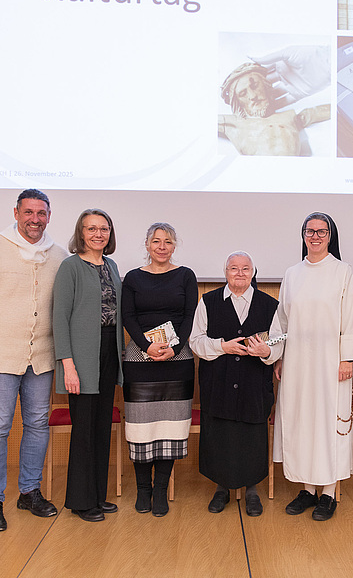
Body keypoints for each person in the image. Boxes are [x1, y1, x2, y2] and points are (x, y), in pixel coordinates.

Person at [0, 189, 67, 533]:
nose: (35, 219)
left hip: (42, 357)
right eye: (29, 212)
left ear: (49, 216)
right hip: (0, 357)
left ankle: (29, 491)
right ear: (17, 213)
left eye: (42, 213)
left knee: (37, 424)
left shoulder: (60, 256)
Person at [273, 212, 353, 521]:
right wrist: (280, 355)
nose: (315, 236)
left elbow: (352, 318)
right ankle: (307, 489)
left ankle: (328, 492)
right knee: (302, 422)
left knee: (328, 424)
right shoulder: (292, 274)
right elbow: (283, 322)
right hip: (298, 363)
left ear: (330, 236)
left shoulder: (343, 272)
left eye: (321, 231)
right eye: (309, 231)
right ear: (302, 236)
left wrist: (347, 359)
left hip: (331, 363)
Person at [190, 251, 284, 516]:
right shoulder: (207, 301)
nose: (239, 273)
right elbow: (195, 340)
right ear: (225, 272)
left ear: (253, 273)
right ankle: (221, 488)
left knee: (252, 434)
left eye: (245, 269)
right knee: (219, 432)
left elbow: (278, 341)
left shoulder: (270, 304)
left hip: (254, 383)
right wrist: (222, 346)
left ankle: (252, 489)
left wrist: (266, 352)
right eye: (234, 268)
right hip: (217, 382)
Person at [121, 223, 198, 517]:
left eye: (167, 241)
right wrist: (147, 347)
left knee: (171, 427)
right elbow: (128, 315)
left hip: (177, 360)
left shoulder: (186, 275)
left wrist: (174, 349)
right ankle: (143, 489)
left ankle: (161, 490)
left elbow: (189, 316)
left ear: (174, 245)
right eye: (156, 241)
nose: (162, 246)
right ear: (147, 245)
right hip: (140, 359)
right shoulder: (133, 278)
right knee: (141, 427)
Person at [53, 209, 124, 522]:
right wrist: (68, 365)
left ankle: (97, 495)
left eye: (104, 228)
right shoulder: (70, 267)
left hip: (109, 350)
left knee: (101, 426)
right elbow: (59, 318)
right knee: (84, 429)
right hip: (81, 357)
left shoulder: (111, 266)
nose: (98, 234)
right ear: (80, 233)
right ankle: (81, 501)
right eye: (91, 228)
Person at [218, 61, 331, 156]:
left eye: (255, 86)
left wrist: (327, 67)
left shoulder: (289, 116)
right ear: (237, 102)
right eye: (243, 94)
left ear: (265, 85)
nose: (253, 96)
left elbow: (330, 110)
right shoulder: (233, 123)